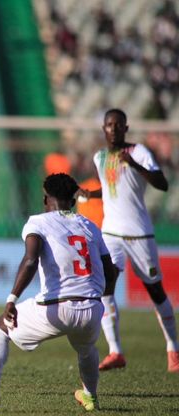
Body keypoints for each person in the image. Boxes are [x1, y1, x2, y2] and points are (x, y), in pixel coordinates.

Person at [0, 173, 114, 413]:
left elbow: (31, 259)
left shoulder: (38, 222)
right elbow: (109, 267)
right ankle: (91, 397)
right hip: (92, 308)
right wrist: (103, 295)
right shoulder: (90, 226)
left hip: (57, 307)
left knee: (0, 328)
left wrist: (12, 298)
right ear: (73, 201)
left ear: (46, 199)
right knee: (87, 350)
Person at [78, 108, 179, 372]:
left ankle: (173, 349)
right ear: (104, 129)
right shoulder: (99, 157)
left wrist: (133, 164)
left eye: (118, 124)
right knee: (106, 284)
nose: (113, 129)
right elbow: (114, 189)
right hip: (111, 233)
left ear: (126, 127)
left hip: (139, 234)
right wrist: (91, 194)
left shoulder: (139, 152)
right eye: (109, 125)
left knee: (155, 290)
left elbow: (162, 183)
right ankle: (115, 351)